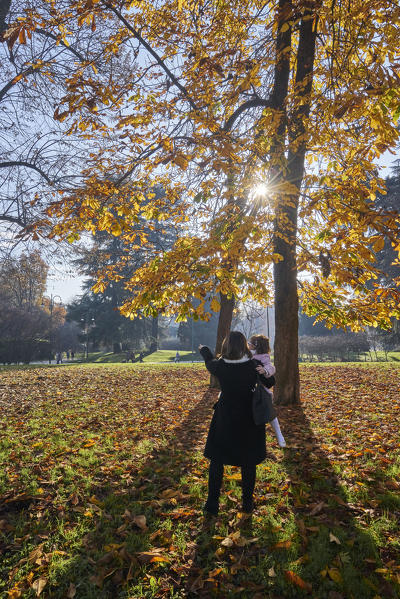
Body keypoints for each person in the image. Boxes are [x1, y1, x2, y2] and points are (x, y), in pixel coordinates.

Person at [199, 331, 275, 516]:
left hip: (225, 416)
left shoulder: (220, 366)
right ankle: (247, 504)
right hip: (249, 417)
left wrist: (205, 351)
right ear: (244, 346)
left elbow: (210, 363)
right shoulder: (254, 365)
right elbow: (270, 382)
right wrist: (264, 371)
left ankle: (212, 504)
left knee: (217, 459)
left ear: (227, 346)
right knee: (248, 461)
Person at [248, 334, 286, 448]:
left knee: (271, 414)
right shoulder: (249, 355)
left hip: (263, 391)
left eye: (250, 343)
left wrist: (264, 370)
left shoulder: (263, 357)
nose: (248, 345)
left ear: (256, 346)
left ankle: (279, 436)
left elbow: (271, 367)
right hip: (252, 390)